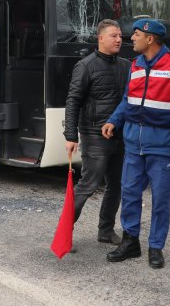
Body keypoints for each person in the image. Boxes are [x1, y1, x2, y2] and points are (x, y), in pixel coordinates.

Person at [102, 19, 170, 269]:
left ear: (150, 39)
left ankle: (156, 247)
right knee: (129, 193)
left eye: (136, 34)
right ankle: (130, 242)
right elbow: (128, 100)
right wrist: (114, 120)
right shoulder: (136, 65)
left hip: (163, 146)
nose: (131, 39)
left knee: (160, 199)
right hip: (133, 144)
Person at [64, 19, 130, 246]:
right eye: (114, 35)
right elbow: (73, 101)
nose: (119, 39)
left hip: (120, 136)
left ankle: (106, 230)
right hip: (94, 136)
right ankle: (65, 232)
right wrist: (70, 136)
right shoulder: (85, 66)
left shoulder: (126, 66)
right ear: (100, 38)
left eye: (120, 35)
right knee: (88, 185)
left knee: (116, 185)